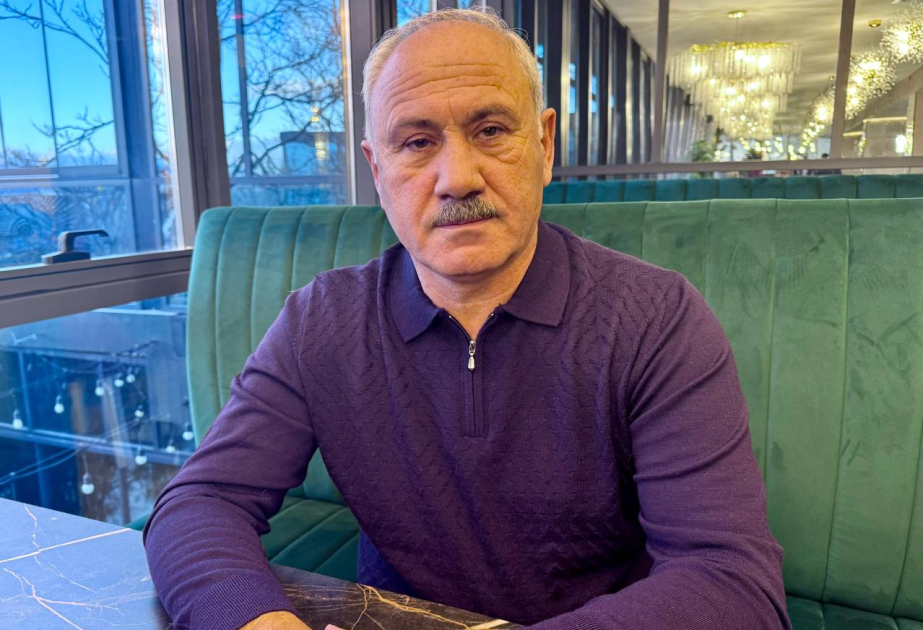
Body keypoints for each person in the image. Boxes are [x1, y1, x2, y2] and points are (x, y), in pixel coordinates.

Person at [144, 8, 790, 630]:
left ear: (543, 145)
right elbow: (201, 503)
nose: (457, 178)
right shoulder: (322, 320)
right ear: (377, 170)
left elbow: (730, 583)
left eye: (490, 131)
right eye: (416, 142)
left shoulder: (655, 319)